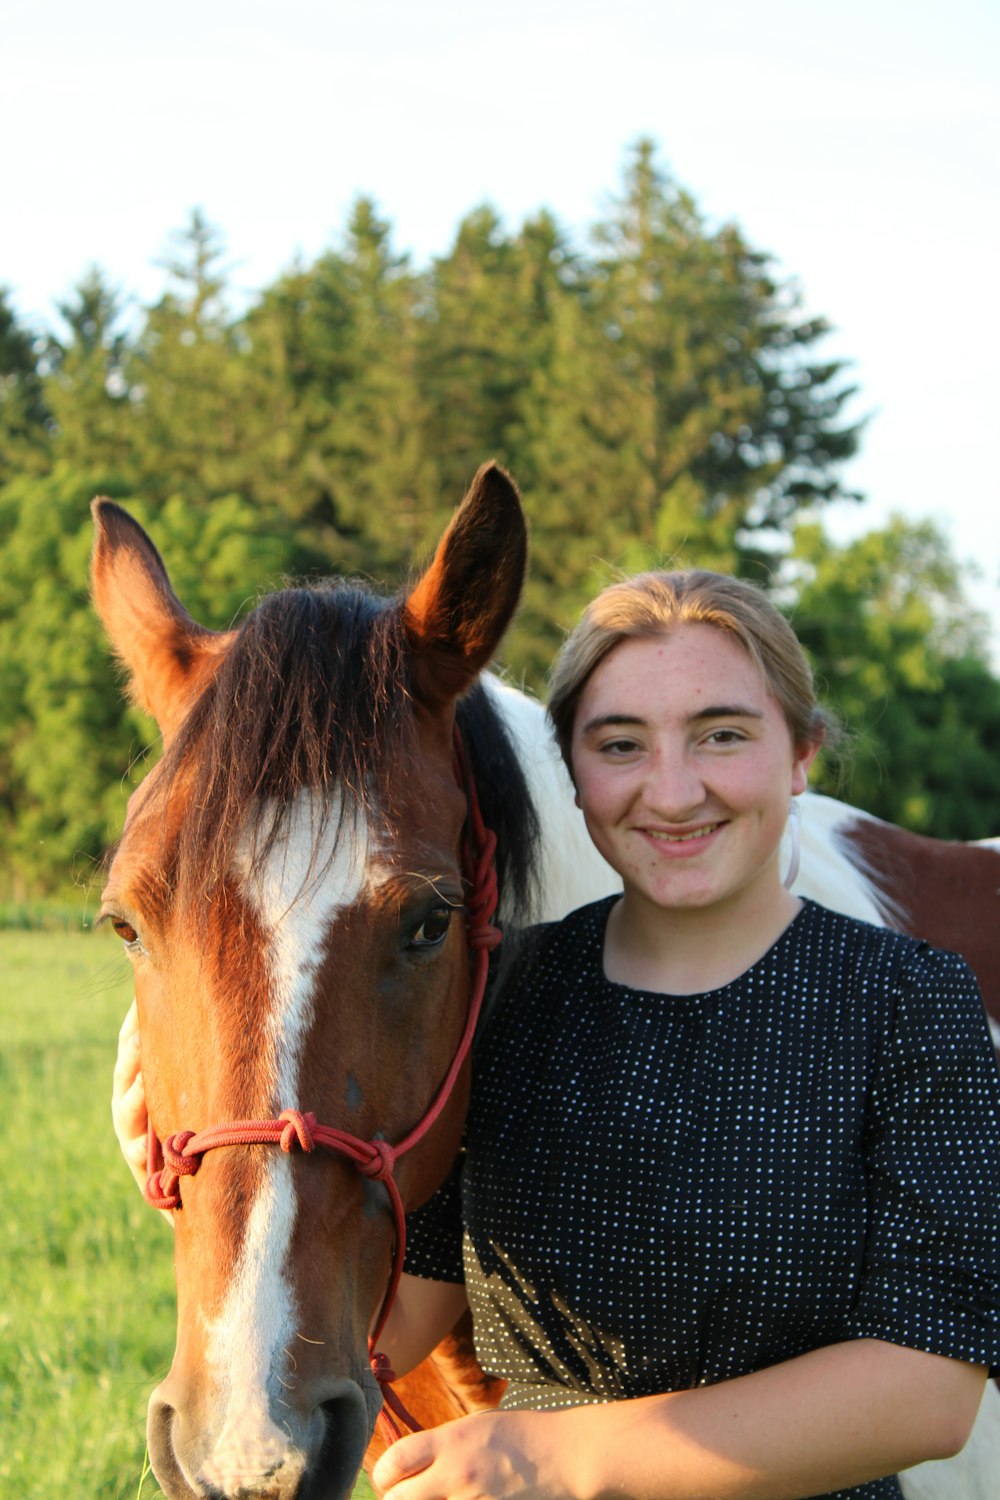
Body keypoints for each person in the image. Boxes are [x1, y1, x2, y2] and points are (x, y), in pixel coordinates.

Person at [113, 570, 1000, 1500]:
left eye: (723, 736)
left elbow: (931, 1392)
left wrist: (559, 1457)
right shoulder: (512, 1000)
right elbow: (393, 1320)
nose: (672, 789)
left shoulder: (908, 995)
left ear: (801, 755)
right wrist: (211, 1170)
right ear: (569, 773)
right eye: (621, 744)